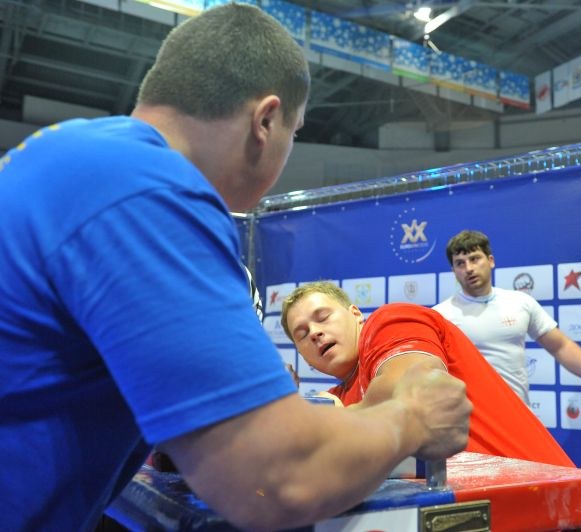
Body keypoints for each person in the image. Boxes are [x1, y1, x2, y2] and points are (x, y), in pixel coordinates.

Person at [0, 5, 471, 531]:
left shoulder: (80, 158)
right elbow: (275, 480)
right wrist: (413, 419)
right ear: (266, 121)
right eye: (295, 133)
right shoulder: (149, 191)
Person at [281, 281, 575, 467]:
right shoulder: (337, 399)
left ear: (356, 315)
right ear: (303, 357)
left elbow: (410, 396)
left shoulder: (390, 321)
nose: (316, 333)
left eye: (323, 317)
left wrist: (319, 423)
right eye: (302, 334)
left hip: (553, 514)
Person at [434, 230, 581, 413]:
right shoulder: (441, 315)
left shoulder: (520, 302)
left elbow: (560, 346)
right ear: (453, 270)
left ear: (490, 261)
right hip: (470, 421)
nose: (469, 268)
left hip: (518, 414)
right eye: (460, 263)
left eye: (475, 259)